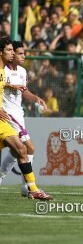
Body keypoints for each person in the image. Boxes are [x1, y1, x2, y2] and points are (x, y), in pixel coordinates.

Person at [0, 37, 52, 200]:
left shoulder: (21, 72)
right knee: (28, 148)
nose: (23, 56)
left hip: (17, 114)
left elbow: (24, 91)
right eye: (18, 53)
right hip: (8, 115)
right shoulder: (4, 70)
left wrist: (37, 98)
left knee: (20, 150)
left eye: (23, 53)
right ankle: (29, 187)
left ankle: (28, 186)